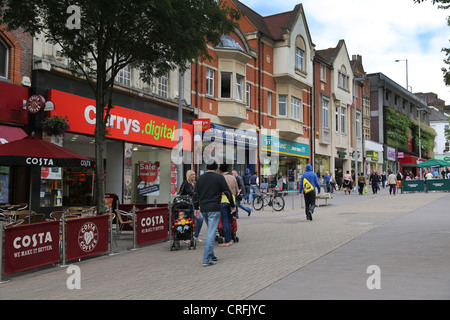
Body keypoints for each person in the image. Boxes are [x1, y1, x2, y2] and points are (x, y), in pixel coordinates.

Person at [193, 162, 235, 267]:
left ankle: (211, 255)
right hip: (215, 208)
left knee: (210, 230)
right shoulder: (219, 178)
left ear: (207, 167)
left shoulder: (200, 178)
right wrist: (232, 204)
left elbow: (195, 194)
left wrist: (196, 207)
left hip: (204, 209)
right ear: (216, 168)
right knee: (211, 233)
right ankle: (206, 259)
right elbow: (227, 192)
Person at [179, 170, 203, 242]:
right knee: (188, 221)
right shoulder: (185, 183)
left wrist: (199, 205)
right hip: (187, 205)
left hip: (195, 205)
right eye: (192, 175)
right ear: (188, 176)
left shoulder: (195, 183)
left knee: (200, 219)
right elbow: (180, 193)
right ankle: (187, 237)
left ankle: (196, 235)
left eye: (194, 174)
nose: (194, 176)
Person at [219, 164, 239, 247]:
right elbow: (237, 190)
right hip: (232, 201)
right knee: (231, 220)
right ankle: (231, 236)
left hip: (223, 201)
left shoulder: (220, 178)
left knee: (225, 221)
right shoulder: (233, 177)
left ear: (220, 171)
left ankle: (227, 240)